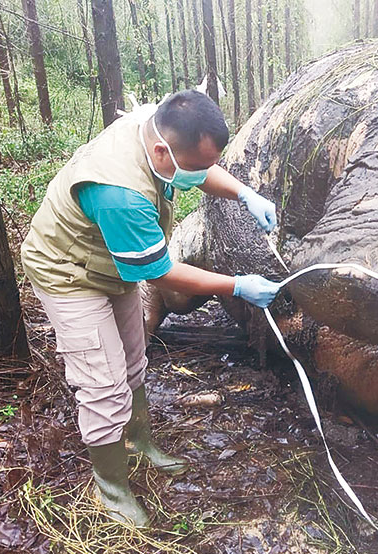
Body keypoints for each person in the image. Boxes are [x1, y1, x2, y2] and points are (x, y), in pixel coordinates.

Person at [21, 90, 280, 526]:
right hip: (68, 272)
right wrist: (238, 286)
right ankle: (113, 489)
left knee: (132, 357)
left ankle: (141, 443)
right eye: (195, 168)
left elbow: (197, 169)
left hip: (110, 263)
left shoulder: (157, 126)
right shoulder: (119, 193)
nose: (200, 177)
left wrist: (243, 193)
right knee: (102, 385)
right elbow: (160, 272)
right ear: (163, 150)